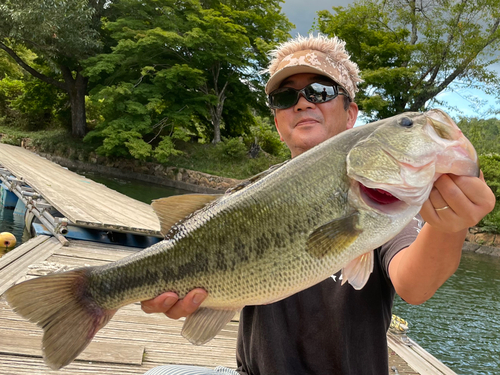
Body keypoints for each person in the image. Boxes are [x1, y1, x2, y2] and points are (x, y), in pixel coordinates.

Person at [141, 35, 496, 375]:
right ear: (278, 124)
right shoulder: (248, 198)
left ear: (351, 113)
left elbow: (415, 285)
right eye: (285, 96)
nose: (303, 102)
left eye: (321, 91)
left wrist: (450, 225)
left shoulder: (383, 201)